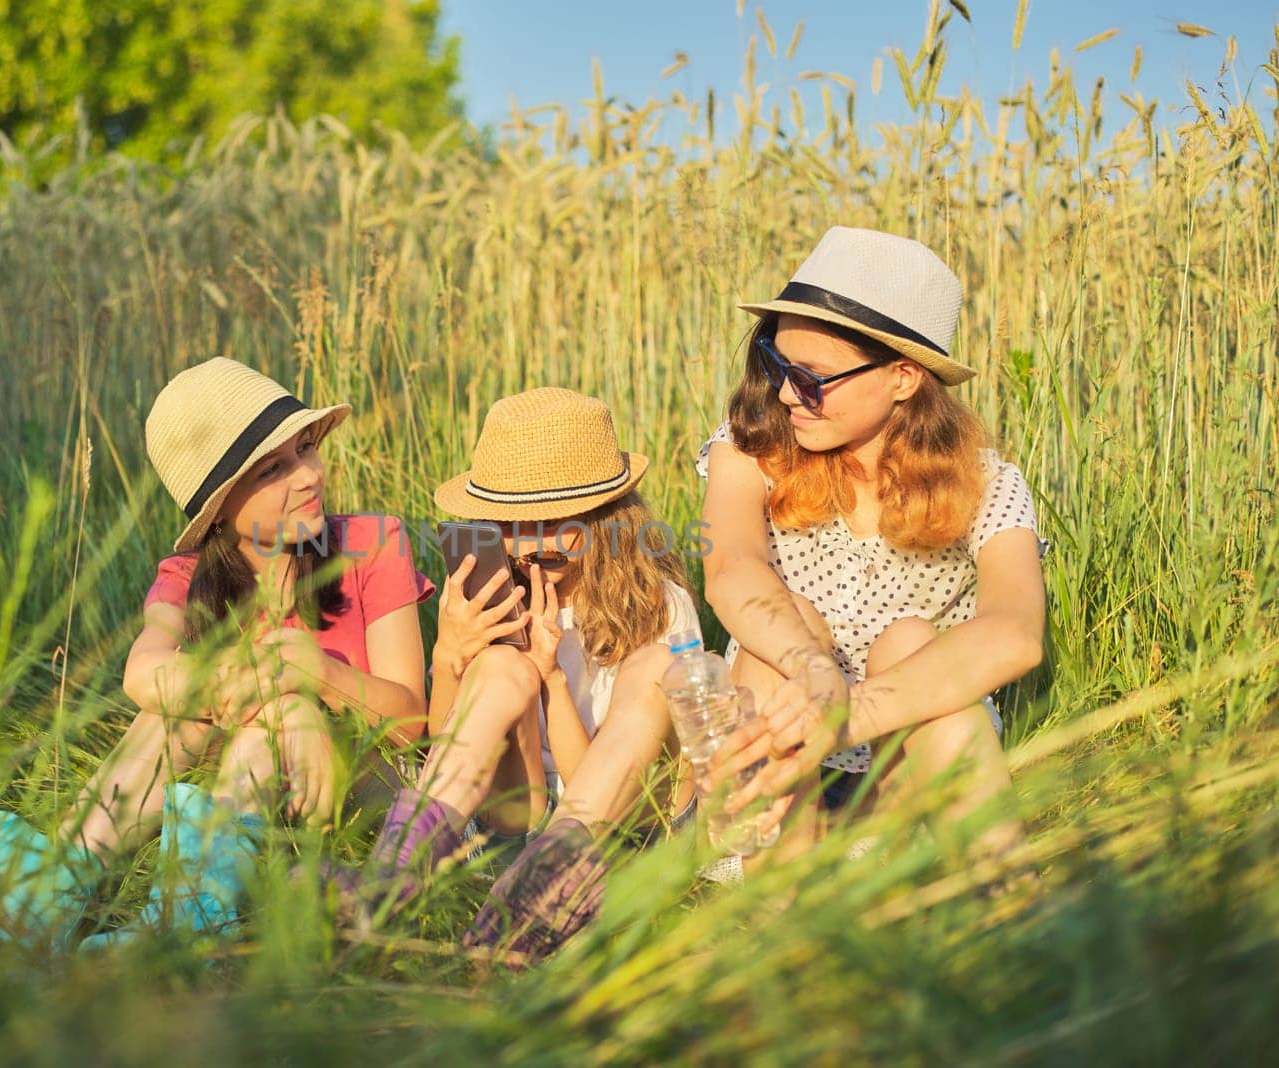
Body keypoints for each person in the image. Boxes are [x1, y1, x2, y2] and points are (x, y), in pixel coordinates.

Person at [0, 358, 434, 949]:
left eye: (305, 448)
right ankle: (61, 892)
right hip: (250, 786)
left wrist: (313, 673)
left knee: (219, 707)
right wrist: (280, 700)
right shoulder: (188, 577)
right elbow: (143, 673)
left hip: (366, 782)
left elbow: (410, 723)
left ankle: (176, 922)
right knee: (173, 713)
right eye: (274, 468)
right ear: (219, 509)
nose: (309, 475)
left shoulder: (372, 545)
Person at [694, 226, 1046, 875]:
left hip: (906, 773)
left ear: (904, 378)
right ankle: (781, 907)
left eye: (812, 377)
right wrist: (813, 666)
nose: (784, 393)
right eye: (777, 364)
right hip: (772, 750)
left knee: (912, 642)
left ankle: (1014, 911)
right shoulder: (748, 448)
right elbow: (731, 568)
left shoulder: (989, 482)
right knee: (786, 618)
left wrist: (842, 715)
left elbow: (1015, 633)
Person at [347, 387, 702, 960]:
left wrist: (553, 681)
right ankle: (394, 876)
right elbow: (448, 745)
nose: (530, 545)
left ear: (606, 519)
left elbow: (613, 779)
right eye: (511, 523)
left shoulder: (659, 607)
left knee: (659, 668)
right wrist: (450, 654)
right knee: (500, 665)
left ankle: (542, 890)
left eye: (552, 521)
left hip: (619, 829)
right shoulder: (489, 598)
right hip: (514, 821)